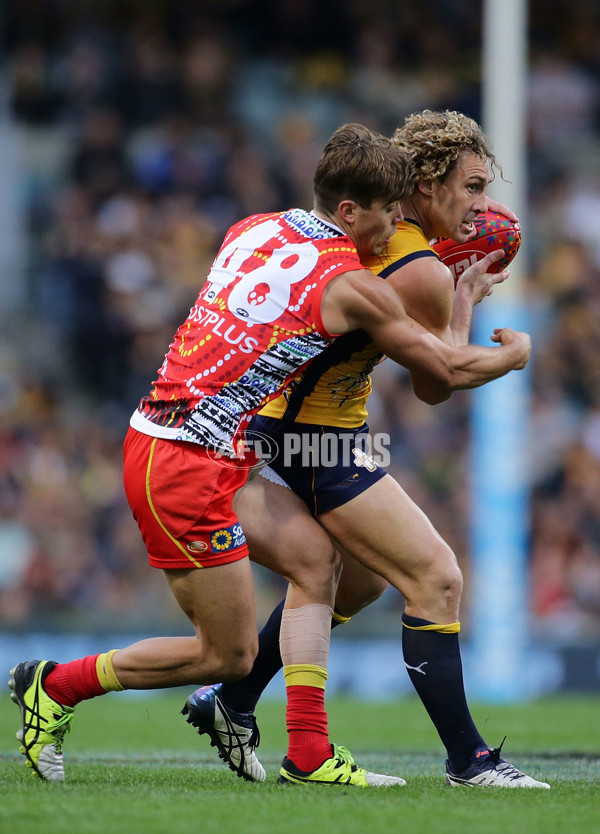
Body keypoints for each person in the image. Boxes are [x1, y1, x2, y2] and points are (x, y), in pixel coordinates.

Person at [9, 121, 530, 786]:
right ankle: (56, 685)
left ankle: (305, 750)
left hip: (210, 437)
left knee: (322, 563)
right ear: (350, 211)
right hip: (201, 455)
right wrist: (514, 352)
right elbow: (444, 375)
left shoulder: (255, 227)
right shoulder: (362, 282)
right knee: (226, 653)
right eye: (385, 213)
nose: (391, 224)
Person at [181, 110, 549, 789]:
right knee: (435, 578)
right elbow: (438, 384)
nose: (480, 205)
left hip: (287, 423)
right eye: (470, 186)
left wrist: (457, 292)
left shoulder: (388, 235)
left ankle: (229, 701)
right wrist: (488, 323)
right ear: (430, 181)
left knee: (362, 579)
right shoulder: (418, 266)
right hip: (314, 434)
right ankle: (470, 760)